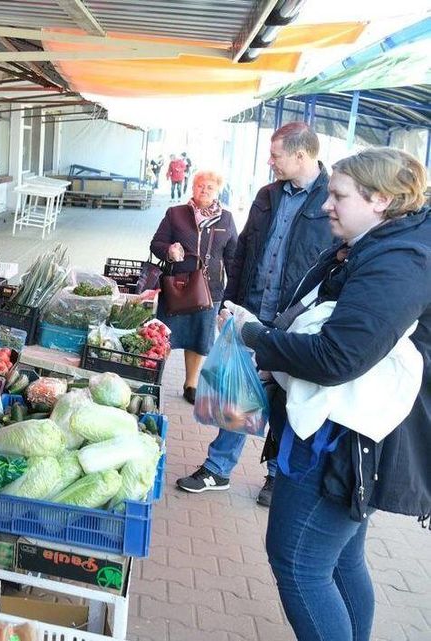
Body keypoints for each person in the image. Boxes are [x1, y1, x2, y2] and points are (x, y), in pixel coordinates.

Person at [220, 147, 431, 641]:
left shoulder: (399, 260)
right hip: (354, 433)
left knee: (298, 564)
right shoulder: (383, 245)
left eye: (339, 195)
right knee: (339, 558)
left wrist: (258, 340)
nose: (325, 206)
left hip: (346, 438)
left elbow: (339, 357)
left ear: (380, 200)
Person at [177, 122, 335, 506]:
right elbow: (243, 249)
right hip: (252, 309)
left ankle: (276, 477)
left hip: (296, 320)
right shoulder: (267, 195)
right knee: (237, 389)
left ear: (301, 155)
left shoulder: (330, 199)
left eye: (276, 155)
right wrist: (228, 303)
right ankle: (218, 468)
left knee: (285, 398)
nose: (270, 161)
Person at [150, 170, 238, 403]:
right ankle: (154, 378)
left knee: (199, 338)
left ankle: (191, 384)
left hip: (210, 290)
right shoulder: (176, 213)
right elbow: (156, 243)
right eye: (200, 185)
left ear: (218, 191)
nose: (204, 190)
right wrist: (168, 250)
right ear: (193, 187)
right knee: (165, 336)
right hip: (177, 286)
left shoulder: (226, 219)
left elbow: (232, 257)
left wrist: (232, 293)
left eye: (210, 187)